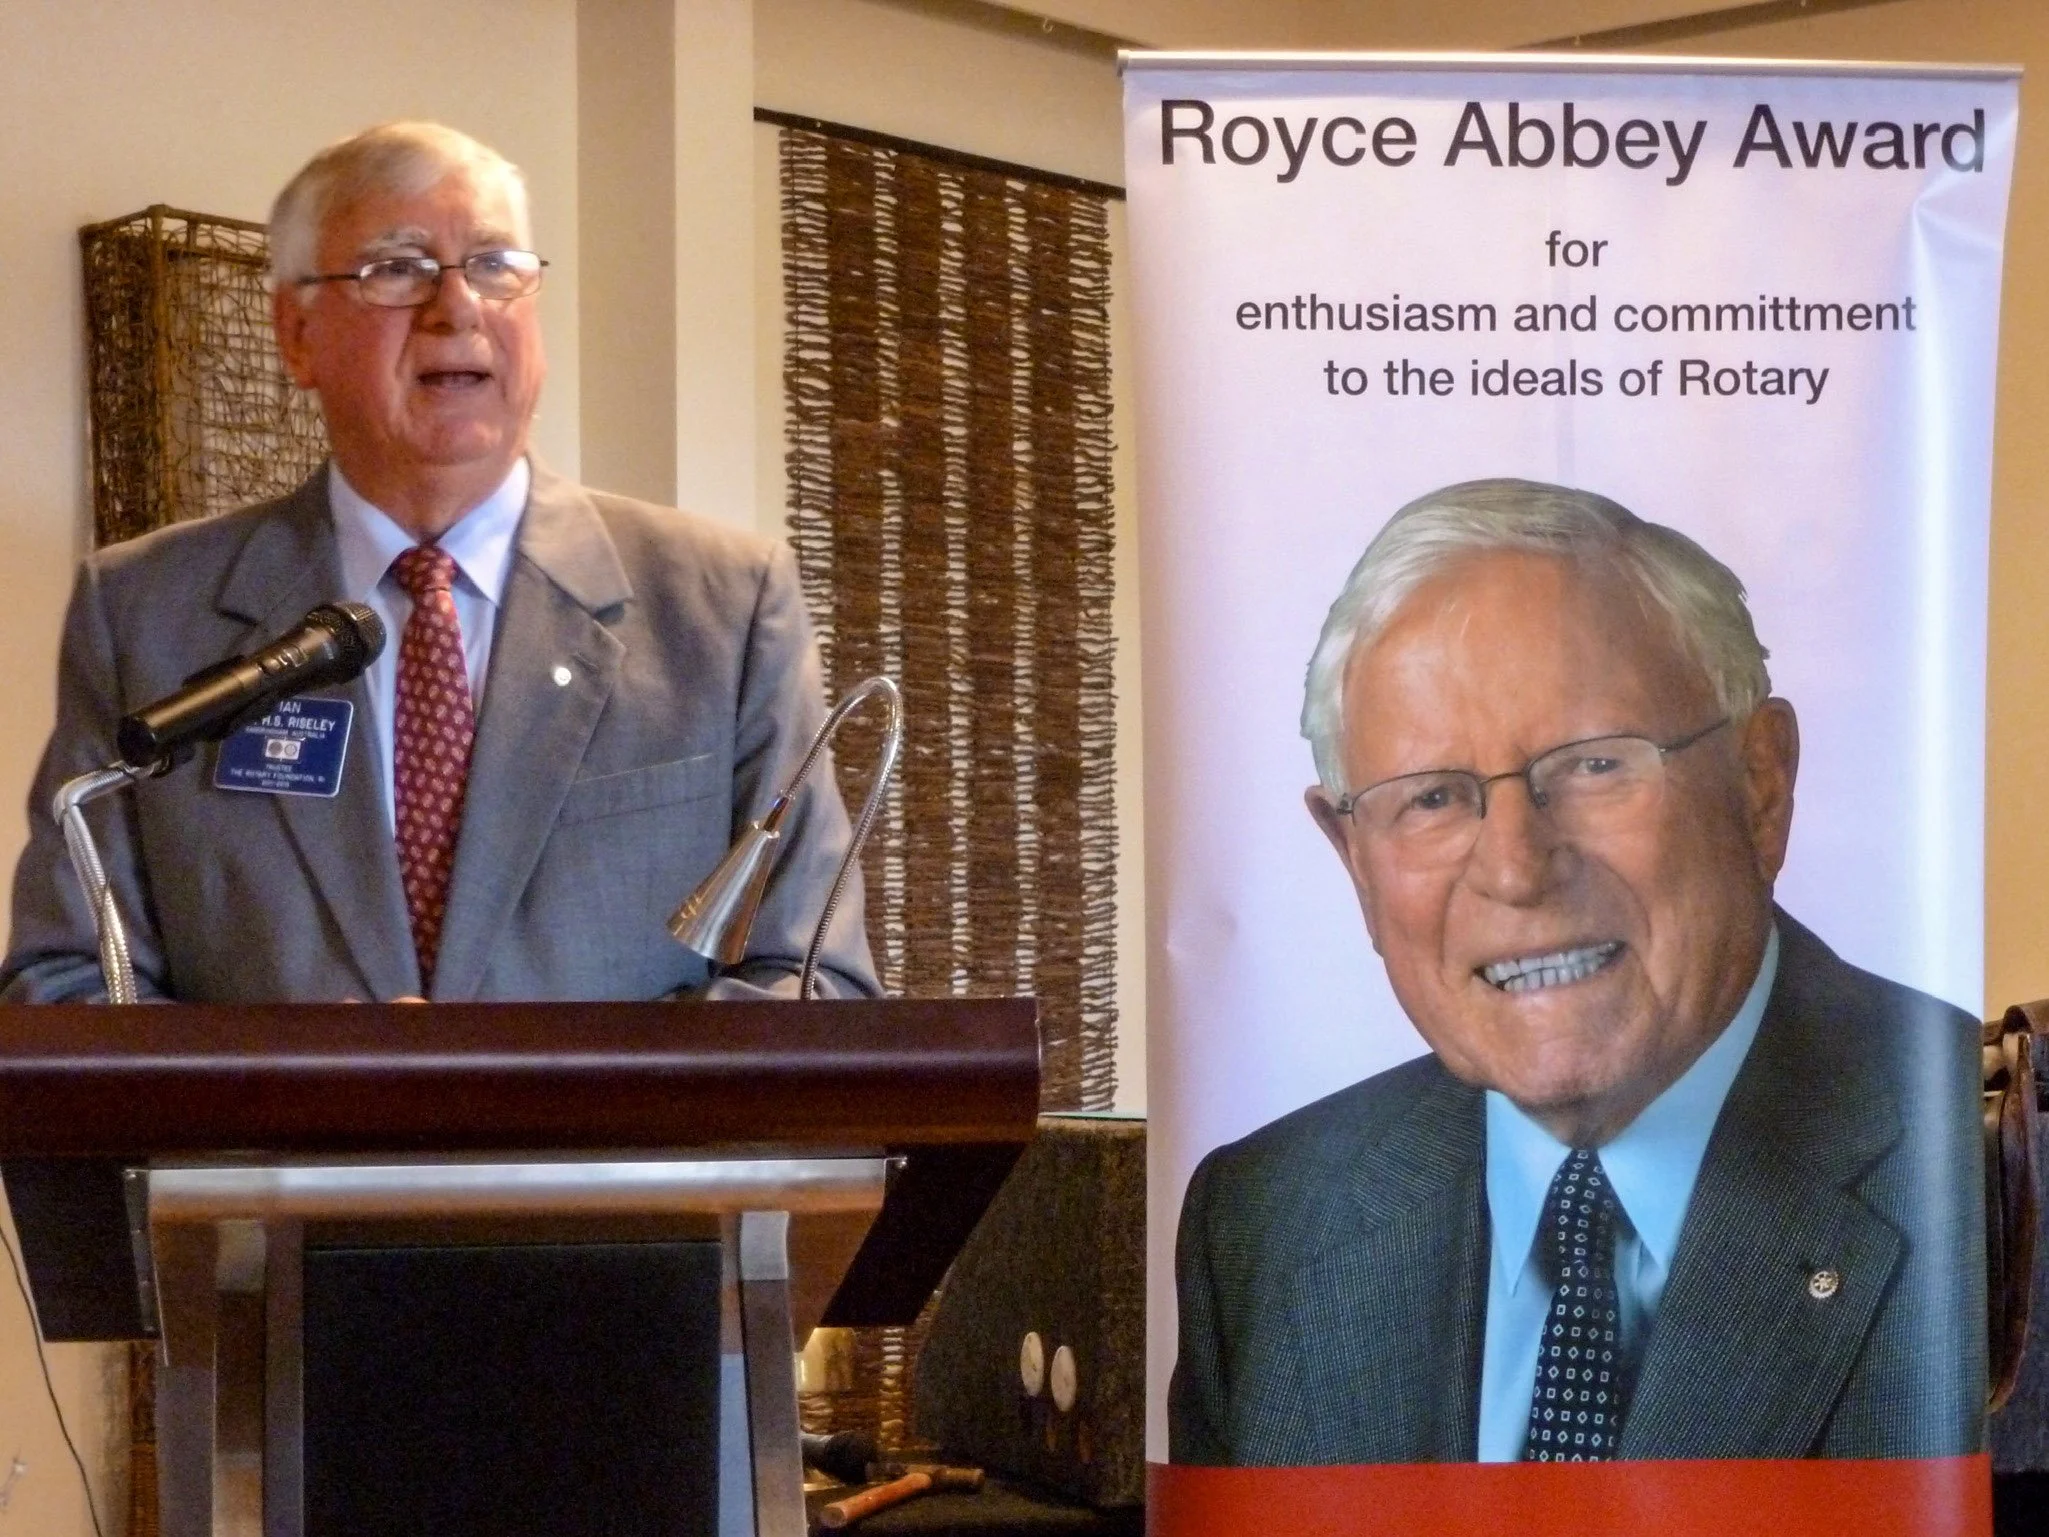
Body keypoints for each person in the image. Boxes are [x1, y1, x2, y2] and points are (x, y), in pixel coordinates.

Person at [1169, 478, 1983, 1465]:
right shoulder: (1263, 1220)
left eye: (1596, 765)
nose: (1515, 867)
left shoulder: (1990, 1184)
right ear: (1352, 859)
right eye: (1432, 797)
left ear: (1762, 784)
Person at [1, 121, 875, 1004]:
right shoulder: (145, 611)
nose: (457, 308)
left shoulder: (724, 607)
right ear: (296, 334)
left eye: (495, 264)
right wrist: (282, 1092)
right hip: (267, 1149)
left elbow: (812, 982)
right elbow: (66, 980)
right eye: (397, 268)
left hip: (613, 1151)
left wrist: (536, 1102)